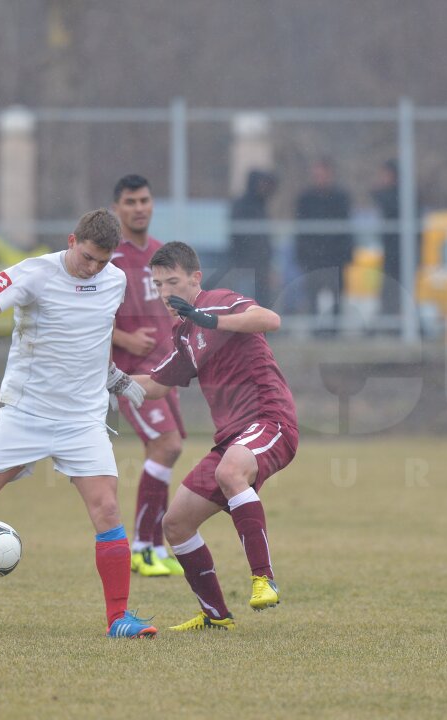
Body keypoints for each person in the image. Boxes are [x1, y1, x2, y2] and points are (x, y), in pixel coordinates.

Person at [0, 209, 156, 639]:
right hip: (26, 413)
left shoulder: (115, 280)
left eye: (102, 260)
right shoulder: (36, 271)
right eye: (88, 257)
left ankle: (119, 618)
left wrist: (115, 379)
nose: (93, 268)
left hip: (82, 419)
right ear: (72, 241)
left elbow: (91, 340)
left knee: (107, 509)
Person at [132, 241, 299, 632]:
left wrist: (209, 319)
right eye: (158, 286)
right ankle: (216, 615)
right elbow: (156, 385)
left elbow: (269, 319)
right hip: (231, 439)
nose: (165, 294)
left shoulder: (219, 302)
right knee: (175, 524)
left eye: (172, 282)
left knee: (230, 472)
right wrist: (107, 381)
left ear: (195, 278)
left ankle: (264, 579)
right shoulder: (184, 332)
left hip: (269, 421)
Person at [109, 174, 186, 579]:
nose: (139, 208)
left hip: (164, 369)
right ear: (117, 208)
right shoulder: (108, 258)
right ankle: (141, 547)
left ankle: (154, 546)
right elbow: (85, 314)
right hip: (129, 374)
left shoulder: (160, 255)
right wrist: (123, 336)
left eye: (144, 200)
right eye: (130, 201)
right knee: (166, 446)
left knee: (169, 449)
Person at [294, 157, 352, 333]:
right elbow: (300, 229)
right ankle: (315, 331)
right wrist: (303, 254)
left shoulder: (341, 198)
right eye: (316, 174)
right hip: (313, 257)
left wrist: (346, 254)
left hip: (335, 257)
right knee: (312, 296)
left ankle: (334, 331)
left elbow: (346, 228)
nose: (319, 178)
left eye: (322, 174)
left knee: (336, 296)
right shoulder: (305, 199)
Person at [229, 169, 278, 308]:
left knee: (262, 305)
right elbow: (239, 239)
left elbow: (265, 240)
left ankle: (260, 330)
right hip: (245, 265)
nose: (264, 188)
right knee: (244, 305)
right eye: (262, 183)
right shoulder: (242, 205)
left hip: (261, 266)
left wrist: (267, 264)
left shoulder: (261, 206)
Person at [370, 159, 402, 319]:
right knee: (388, 290)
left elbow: (388, 203)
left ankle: (395, 323)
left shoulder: (401, 194)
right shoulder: (389, 194)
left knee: (397, 290)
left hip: (401, 252)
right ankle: (388, 321)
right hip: (390, 252)